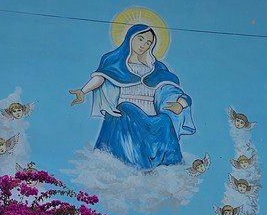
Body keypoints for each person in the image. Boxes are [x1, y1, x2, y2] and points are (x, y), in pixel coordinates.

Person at [68, 24, 195, 170]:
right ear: (130, 38)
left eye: (148, 43)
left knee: (165, 120)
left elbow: (174, 90)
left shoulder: (157, 68)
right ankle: (138, 166)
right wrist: (83, 91)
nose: (144, 45)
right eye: (140, 39)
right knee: (126, 109)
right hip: (125, 114)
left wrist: (181, 103)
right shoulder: (115, 62)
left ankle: (167, 169)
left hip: (150, 117)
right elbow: (102, 77)